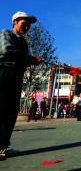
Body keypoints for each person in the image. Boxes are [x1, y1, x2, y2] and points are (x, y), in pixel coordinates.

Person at [0, 11, 43, 161]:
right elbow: (6, 50)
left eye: (28, 26)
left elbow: (23, 60)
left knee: (12, 112)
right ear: (14, 22)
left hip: (17, 76)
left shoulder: (24, 43)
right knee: (3, 109)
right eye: (23, 24)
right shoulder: (6, 33)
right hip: (4, 72)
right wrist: (30, 58)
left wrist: (33, 61)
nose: (26, 27)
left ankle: (3, 147)